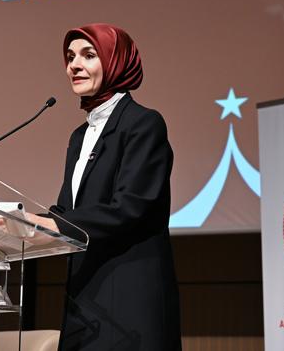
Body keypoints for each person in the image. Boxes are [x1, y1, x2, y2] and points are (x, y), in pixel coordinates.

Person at [25, 23, 182, 350]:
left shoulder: (143, 123)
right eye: (70, 57)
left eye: (88, 55)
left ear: (115, 60)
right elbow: (67, 211)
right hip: (85, 301)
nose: (74, 65)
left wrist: (51, 224)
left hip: (129, 299)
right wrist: (17, 224)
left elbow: (129, 207)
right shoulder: (79, 137)